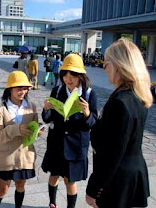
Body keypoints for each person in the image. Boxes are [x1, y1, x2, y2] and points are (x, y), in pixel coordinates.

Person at [86, 38, 152, 208]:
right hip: (133, 174)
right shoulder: (138, 96)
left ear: (118, 65)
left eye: (106, 63)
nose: (103, 67)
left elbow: (111, 154)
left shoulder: (120, 102)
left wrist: (94, 188)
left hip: (117, 181)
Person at [42, 53, 98, 208]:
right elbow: (48, 118)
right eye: (65, 74)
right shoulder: (57, 91)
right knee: (54, 176)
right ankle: (52, 203)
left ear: (80, 75)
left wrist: (87, 114)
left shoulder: (89, 94)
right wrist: (46, 109)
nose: (69, 78)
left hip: (75, 145)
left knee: (69, 180)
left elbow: (93, 121)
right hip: (56, 143)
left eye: (73, 74)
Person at [0, 71, 39, 208]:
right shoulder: (1, 109)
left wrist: (37, 131)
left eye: (25, 88)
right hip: (7, 156)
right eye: (19, 88)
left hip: (25, 155)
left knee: (20, 185)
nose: (23, 91)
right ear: (10, 89)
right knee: (3, 189)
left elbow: (35, 129)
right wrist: (16, 129)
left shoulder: (32, 107)